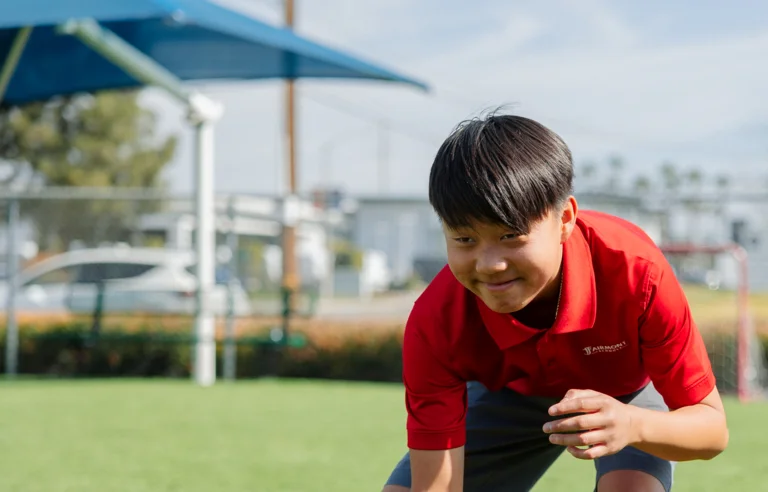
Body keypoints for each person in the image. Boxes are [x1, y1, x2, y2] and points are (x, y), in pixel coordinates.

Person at [382, 113, 728, 492]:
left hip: (624, 395)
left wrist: (631, 424)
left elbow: (711, 430)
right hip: (507, 396)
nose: (490, 264)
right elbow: (436, 485)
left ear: (565, 218)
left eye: (511, 235)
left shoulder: (637, 274)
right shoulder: (437, 320)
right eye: (464, 239)